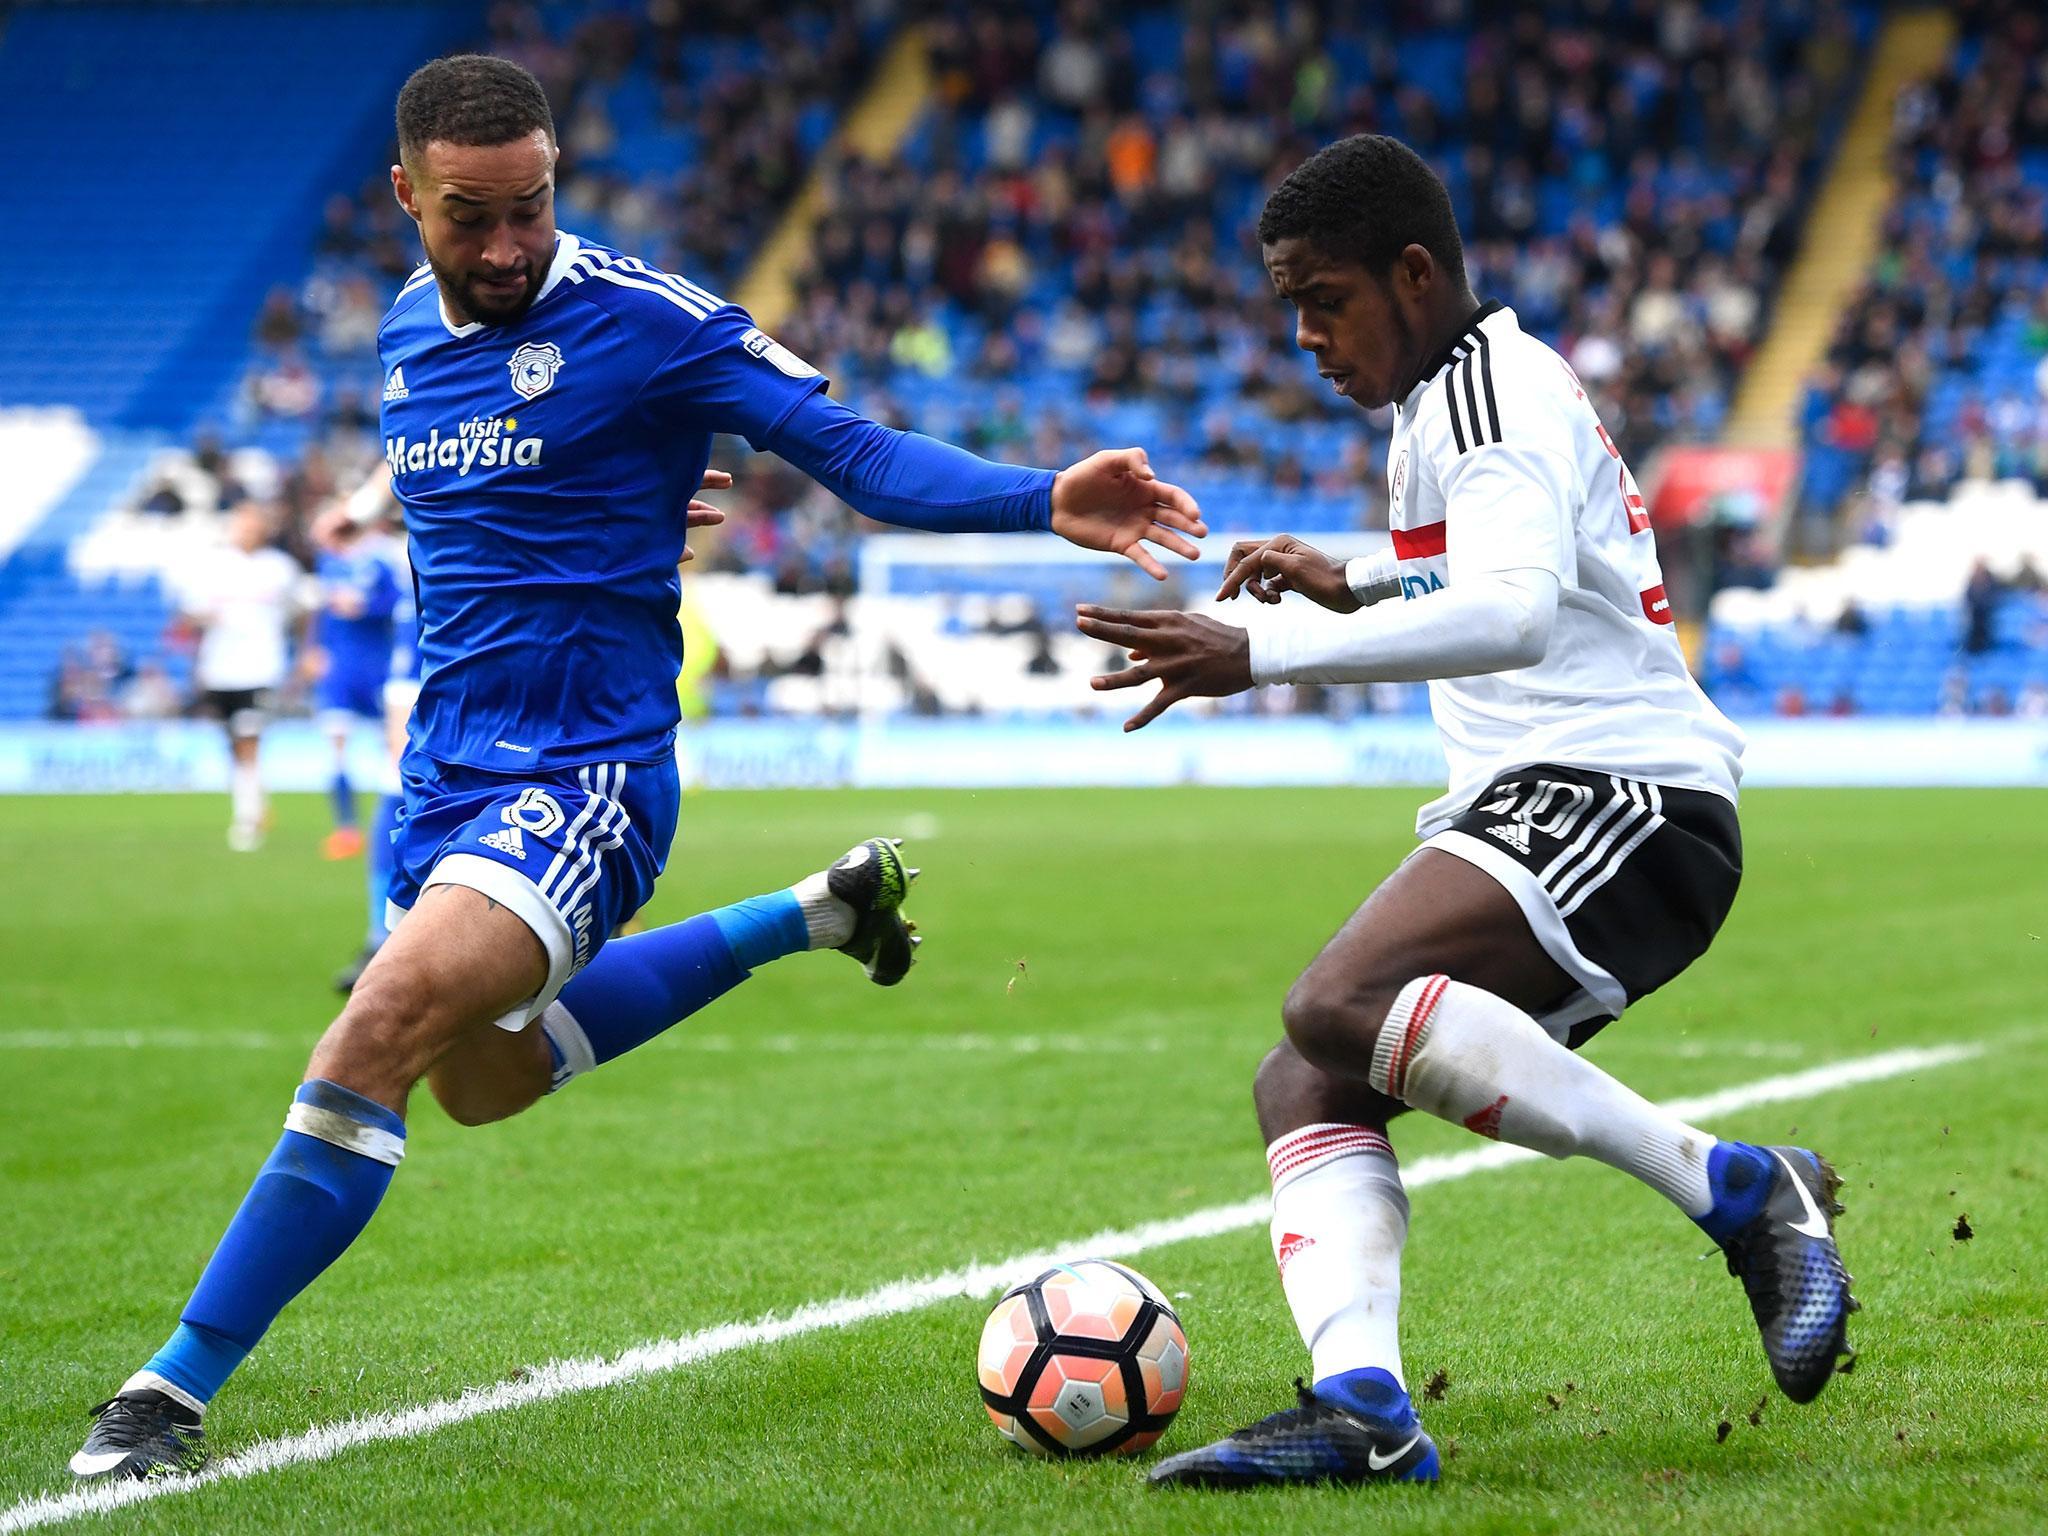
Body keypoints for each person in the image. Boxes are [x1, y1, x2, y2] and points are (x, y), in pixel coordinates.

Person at [72, 53, 1205, 1481]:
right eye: (468, 216)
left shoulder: (649, 320)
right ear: (405, 196)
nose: (503, 245)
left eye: (530, 209)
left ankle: (166, 1392)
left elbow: (850, 452)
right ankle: (815, 914)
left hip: (590, 772)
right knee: (478, 1083)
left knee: (372, 1031)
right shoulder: (410, 330)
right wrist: (617, 509)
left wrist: (1038, 498)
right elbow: (490, 513)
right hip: (445, 775)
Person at [1072, 135, 1852, 1490]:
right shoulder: (1451, 402)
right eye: (1293, 308)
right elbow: (1501, 563)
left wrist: (1252, 657)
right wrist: (1358, 576)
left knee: (1335, 1002)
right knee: (1307, 1080)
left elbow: (1515, 608)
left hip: (1623, 791)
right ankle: (1366, 1409)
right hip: (1541, 798)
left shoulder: (1490, 391)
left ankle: (1737, 1190)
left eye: (1327, 300)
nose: (1308, 337)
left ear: (1415, 273)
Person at [175, 501, 313, 851]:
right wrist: (203, 618)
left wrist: (305, 652)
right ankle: (253, 801)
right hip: (220, 668)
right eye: (243, 525)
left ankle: (247, 818)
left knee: (248, 737)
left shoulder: (280, 569)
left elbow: (303, 614)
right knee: (233, 744)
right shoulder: (213, 566)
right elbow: (188, 616)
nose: (248, 531)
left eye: (255, 525)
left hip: (261, 666)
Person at [308, 490, 405, 861]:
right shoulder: (328, 561)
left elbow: (401, 603)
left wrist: (365, 606)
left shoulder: (383, 558)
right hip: (338, 668)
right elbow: (321, 613)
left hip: (377, 665)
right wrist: (314, 649)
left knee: (392, 748)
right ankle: (346, 829)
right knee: (336, 746)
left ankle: (399, 820)